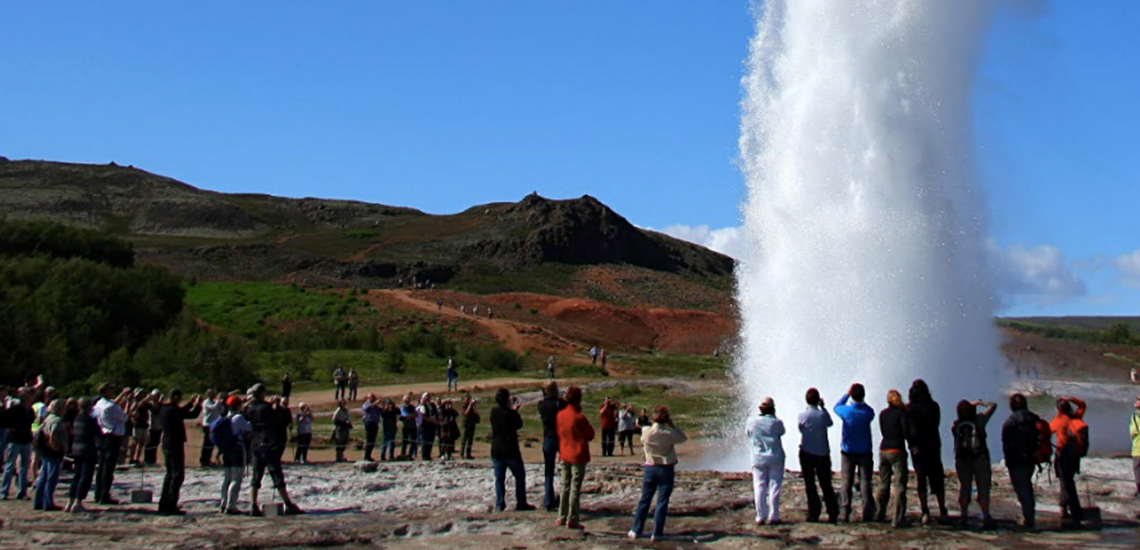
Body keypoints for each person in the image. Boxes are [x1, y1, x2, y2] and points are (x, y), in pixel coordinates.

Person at [628, 406, 687, 541]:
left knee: (644, 499)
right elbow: (683, 438)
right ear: (666, 419)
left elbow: (643, 440)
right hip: (666, 468)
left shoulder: (646, 431)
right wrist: (672, 425)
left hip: (650, 467)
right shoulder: (669, 433)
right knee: (662, 501)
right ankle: (657, 532)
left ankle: (635, 530)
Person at [246, 383, 303, 516]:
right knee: (277, 475)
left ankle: (253, 505)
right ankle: (288, 504)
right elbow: (279, 420)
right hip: (269, 445)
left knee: (256, 477)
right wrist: (278, 405)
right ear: (261, 393)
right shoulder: (266, 408)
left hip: (255, 445)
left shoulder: (250, 409)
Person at [906, 379, 948, 525]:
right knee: (937, 477)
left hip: (918, 449)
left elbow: (908, 430)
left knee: (921, 478)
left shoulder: (909, 409)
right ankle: (943, 509)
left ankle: (925, 511)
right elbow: (936, 423)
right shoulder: (934, 406)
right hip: (933, 445)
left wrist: (912, 444)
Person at [952, 399, 997, 530]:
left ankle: (963, 515)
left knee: (965, 487)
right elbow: (993, 405)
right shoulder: (980, 420)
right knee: (983, 487)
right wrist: (979, 402)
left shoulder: (955, 424)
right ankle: (986, 516)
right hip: (980, 458)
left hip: (962, 460)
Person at [156, 388, 202, 515]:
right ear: (175, 397)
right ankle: (171, 504)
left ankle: (163, 503)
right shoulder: (173, 410)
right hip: (174, 444)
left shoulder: (164, 409)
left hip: (167, 442)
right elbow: (191, 415)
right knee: (177, 475)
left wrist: (191, 403)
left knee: (169, 474)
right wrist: (198, 405)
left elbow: (181, 411)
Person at [834, 383, 876, 523]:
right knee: (865, 481)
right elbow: (871, 412)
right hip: (864, 451)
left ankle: (844, 512)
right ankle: (867, 511)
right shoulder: (868, 412)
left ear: (852, 395)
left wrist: (846, 394)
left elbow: (836, 406)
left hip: (848, 451)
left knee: (846, 481)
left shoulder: (846, 411)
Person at [489, 388, 535, 512]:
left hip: (497, 449)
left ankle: (499, 503)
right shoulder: (510, 414)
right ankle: (521, 502)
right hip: (511, 449)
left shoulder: (494, 412)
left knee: (499, 478)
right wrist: (514, 411)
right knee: (519, 476)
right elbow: (519, 425)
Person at [1002, 393, 1043, 528]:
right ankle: (1029, 513)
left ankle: (1029, 518)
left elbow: (1006, 444)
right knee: (1026, 485)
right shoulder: (1034, 418)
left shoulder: (1010, 422)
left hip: (1016, 460)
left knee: (1022, 488)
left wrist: (1007, 461)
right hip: (1031, 458)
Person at [556, 386, 595, 529]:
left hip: (564, 453)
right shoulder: (579, 417)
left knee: (565, 485)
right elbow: (590, 434)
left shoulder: (560, 415)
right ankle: (572, 518)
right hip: (578, 454)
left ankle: (561, 516)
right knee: (575, 487)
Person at [798, 388, 838, 524]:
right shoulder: (822, 415)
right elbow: (830, 423)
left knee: (810, 484)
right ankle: (833, 513)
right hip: (822, 454)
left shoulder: (802, 415)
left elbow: (800, 429)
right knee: (826, 483)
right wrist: (823, 407)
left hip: (807, 453)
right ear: (818, 399)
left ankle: (814, 512)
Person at [876, 390, 914, 527]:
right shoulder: (901, 414)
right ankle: (897, 518)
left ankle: (879, 513)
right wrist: (912, 445)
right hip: (897, 449)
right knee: (899, 485)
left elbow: (883, 430)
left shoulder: (883, 414)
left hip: (884, 449)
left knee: (883, 483)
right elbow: (906, 432)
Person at [1050, 396, 1088, 528]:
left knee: (1067, 483)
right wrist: (1070, 398)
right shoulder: (1076, 418)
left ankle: (1074, 512)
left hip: (1063, 455)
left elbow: (1046, 431)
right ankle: (1063, 509)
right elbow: (1082, 405)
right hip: (1075, 456)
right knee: (1066, 482)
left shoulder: (1059, 420)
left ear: (1058, 410)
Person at [747, 397, 786, 525]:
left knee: (759, 486)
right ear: (773, 409)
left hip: (758, 457)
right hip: (775, 456)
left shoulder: (752, 421)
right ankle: (774, 516)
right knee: (774, 486)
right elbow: (782, 432)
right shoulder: (777, 422)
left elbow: (749, 434)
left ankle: (760, 516)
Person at [93, 384, 130, 504]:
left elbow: (114, 402)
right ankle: (105, 495)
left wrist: (123, 395)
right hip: (113, 436)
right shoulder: (111, 407)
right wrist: (128, 403)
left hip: (103, 435)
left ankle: (98, 493)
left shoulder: (99, 404)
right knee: (108, 468)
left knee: (102, 466)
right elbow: (124, 417)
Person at [32, 399, 68, 511]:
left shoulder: (48, 418)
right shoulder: (57, 420)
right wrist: (54, 446)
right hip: (53, 452)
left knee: (43, 477)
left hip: (44, 451)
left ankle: (38, 501)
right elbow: (53, 433)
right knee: (51, 478)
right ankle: (48, 503)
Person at [219, 395, 252, 515]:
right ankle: (231, 506)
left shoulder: (226, 417)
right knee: (236, 479)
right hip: (237, 449)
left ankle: (223, 503)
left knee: (227, 478)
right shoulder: (238, 417)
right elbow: (249, 430)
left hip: (227, 450)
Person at [537, 381, 566, 511]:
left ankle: (548, 499)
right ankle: (565, 497)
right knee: (566, 468)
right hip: (560, 437)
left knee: (548, 470)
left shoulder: (541, 405)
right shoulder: (560, 404)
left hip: (548, 437)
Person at [66, 397, 98, 513]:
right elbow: (97, 433)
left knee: (76, 476)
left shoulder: (77, 418)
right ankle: (78, 502)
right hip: (87, 449)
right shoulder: (90, 420)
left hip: (76, 448)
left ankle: (70, 501)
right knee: (85, 476)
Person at [1, 391, 34, 501]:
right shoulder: (15, 409)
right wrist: (10, 428)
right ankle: (4, 491)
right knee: (10, 466)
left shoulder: (30, 410)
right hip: (15, 440)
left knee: (24, 467)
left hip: (26, 440)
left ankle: (22, 491)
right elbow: (3, 419)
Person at [200, 389, 225, 467]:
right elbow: (212, 408)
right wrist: (218, 401)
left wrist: (221, 403)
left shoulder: (215, 402)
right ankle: (204, 460)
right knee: (207, 443)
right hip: (207, 425)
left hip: (215, 425)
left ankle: (208, 459)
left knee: (212, 443)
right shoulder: (206, 402)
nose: (213, 394)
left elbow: (221, 411)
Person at [144, 389, 163, 466]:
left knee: (155, 443)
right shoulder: (150, 404)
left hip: (158, 427)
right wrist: (148, 398)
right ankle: (147, 460)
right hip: (151, 427)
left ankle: (153, 460)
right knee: (150, 444)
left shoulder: (160, 405)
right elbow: (155, 410)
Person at [417, 393, 439, 461]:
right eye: (427, 396)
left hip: (432, 425)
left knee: (431, 440)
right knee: (425, 441)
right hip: (425, 426)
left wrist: (435, 420)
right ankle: (424, 455)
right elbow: (423, 415)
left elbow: (436, 413)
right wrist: (430, 420)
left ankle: (428, 454)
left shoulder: (432, 405)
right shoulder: (423, 406)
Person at [362, 394, 382, 462]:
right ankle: (366, 456)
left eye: (373, 397)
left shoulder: (376, 406)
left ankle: (369, 455)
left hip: (375, 423)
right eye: (371, 397)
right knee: (369, 440)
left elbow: (381, 411)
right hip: (369, 423)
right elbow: (367, 408)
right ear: (368, 398)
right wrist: (375, 403)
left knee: (373, 440)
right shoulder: (366, 404)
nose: (372, 398)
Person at [400, 393, 420, 459]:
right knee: (405, 441)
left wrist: (410, 416)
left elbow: (416, 415)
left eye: (408, 399)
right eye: (406, 399)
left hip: (413, 426)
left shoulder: (412, 407)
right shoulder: (403, 407)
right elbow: (405, 416)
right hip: (406, 426)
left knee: (413, 441)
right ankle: (403, 454)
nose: (408, 400)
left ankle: (410, 454)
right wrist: (412, 415)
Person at [461, 396, 480, 460]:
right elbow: (466, 413)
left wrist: (474, 407)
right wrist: (469, 406)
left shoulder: (472, 407)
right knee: (464, 439)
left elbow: (476, 413)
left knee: (470, 440)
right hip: (466, 424)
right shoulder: (464, 406)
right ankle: (462, 453)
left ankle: (468, 454)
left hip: (472, 424)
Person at [1131, 394, 1140, 497]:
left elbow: (1134, 431)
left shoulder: (1136, 416)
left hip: (1138, 448)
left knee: (1137, 470)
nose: (1136, 401)